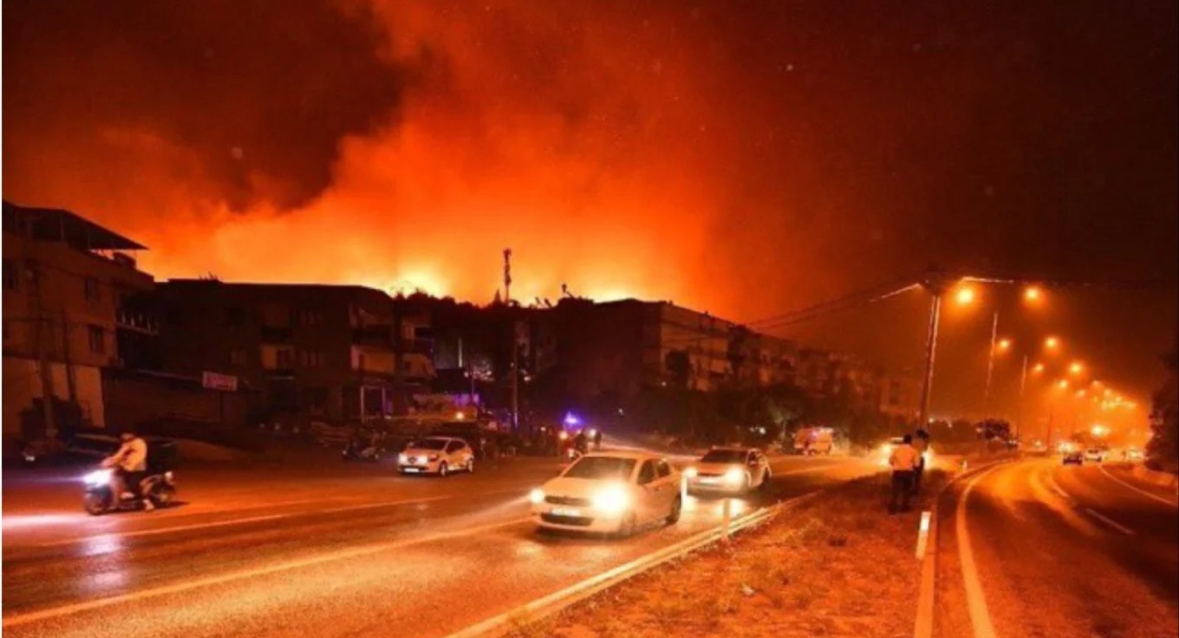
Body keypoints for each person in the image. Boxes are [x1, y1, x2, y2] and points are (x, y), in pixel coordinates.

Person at [104, 430, 151, 511]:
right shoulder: (126, 444)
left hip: (138, 469)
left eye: (126, 434)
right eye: (123, 434)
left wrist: (127, 464)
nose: (124, 436)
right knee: (117, 480)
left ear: (132, 434)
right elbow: (119, 455)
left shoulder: (139, 443)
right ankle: (116, 502)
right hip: (127, 468)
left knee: (133, 485)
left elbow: (139, 457)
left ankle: (147, 502)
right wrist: (107, 462)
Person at [888, 433, 921, 514]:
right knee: (906, 490)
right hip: (908, 472)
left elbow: (890, 461)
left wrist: (897, 464)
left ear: (903, 441)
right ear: (911, 441)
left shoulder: (896, 450)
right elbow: (917, 464)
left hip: (897, 472)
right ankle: (904, 507)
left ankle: (893, 508)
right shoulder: (914, 451)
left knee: (895, 491)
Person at [911, 428, 930, 495]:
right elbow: (925, 449)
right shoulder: (923, 441)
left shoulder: (913, 440)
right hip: (920, 458)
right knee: (918, 476)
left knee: (911, 475)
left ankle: (910, 489)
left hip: (912, 459)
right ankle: (916, 490)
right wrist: (927, 441)